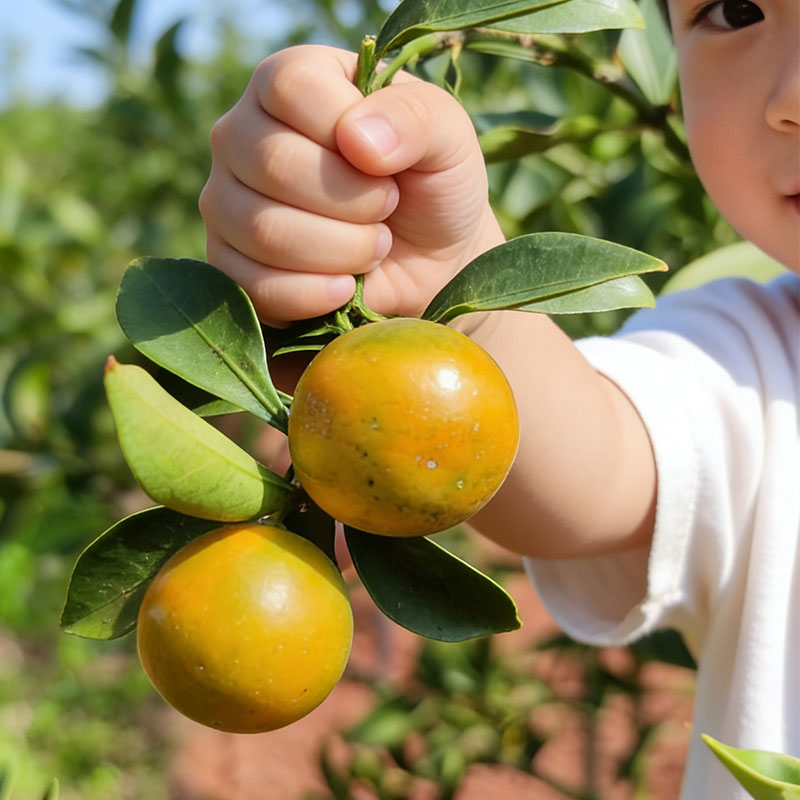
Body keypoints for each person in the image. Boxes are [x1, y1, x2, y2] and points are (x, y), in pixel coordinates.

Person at [198, 0, 799, 795]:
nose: (791, 93)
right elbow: (592, 465)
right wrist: (451, 279)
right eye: (735, 10)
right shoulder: (755, 358)